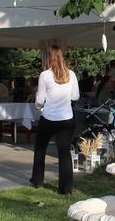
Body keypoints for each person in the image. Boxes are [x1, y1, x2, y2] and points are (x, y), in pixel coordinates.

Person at [29, 46, 80, 194]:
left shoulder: (45, 75)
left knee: (40, 149)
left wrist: (41, 108)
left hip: (49, 117)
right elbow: (75, 96)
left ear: (48, 58)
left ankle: (37, 179)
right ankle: (66, 188)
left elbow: (39, 99)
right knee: (64, 152)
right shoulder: (71, 74)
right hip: (66, 118)